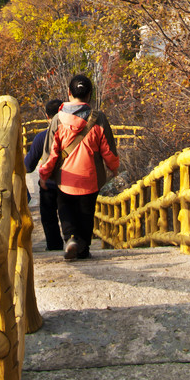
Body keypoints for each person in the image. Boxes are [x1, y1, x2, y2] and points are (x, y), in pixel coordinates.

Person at [38, 73, 119, 261]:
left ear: (68, 92)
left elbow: (51, 153)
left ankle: (70, 238)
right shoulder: (99, 119)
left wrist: (44, 175)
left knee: (64, 207)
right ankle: (83, 249)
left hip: (65, 178)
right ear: (90, 94)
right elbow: (108, 150)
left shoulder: (58, 120)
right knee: (86, 213)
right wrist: (113, 167)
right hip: (91, 177)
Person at [24, 98, 63, 250]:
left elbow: (28, 167)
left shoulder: (42, 137)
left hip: (50, 184)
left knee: (48, 216)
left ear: (47, 116)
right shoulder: (78, 134)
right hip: (74, 183)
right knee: (71, 214)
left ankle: (54, 246)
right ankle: (77, 243)